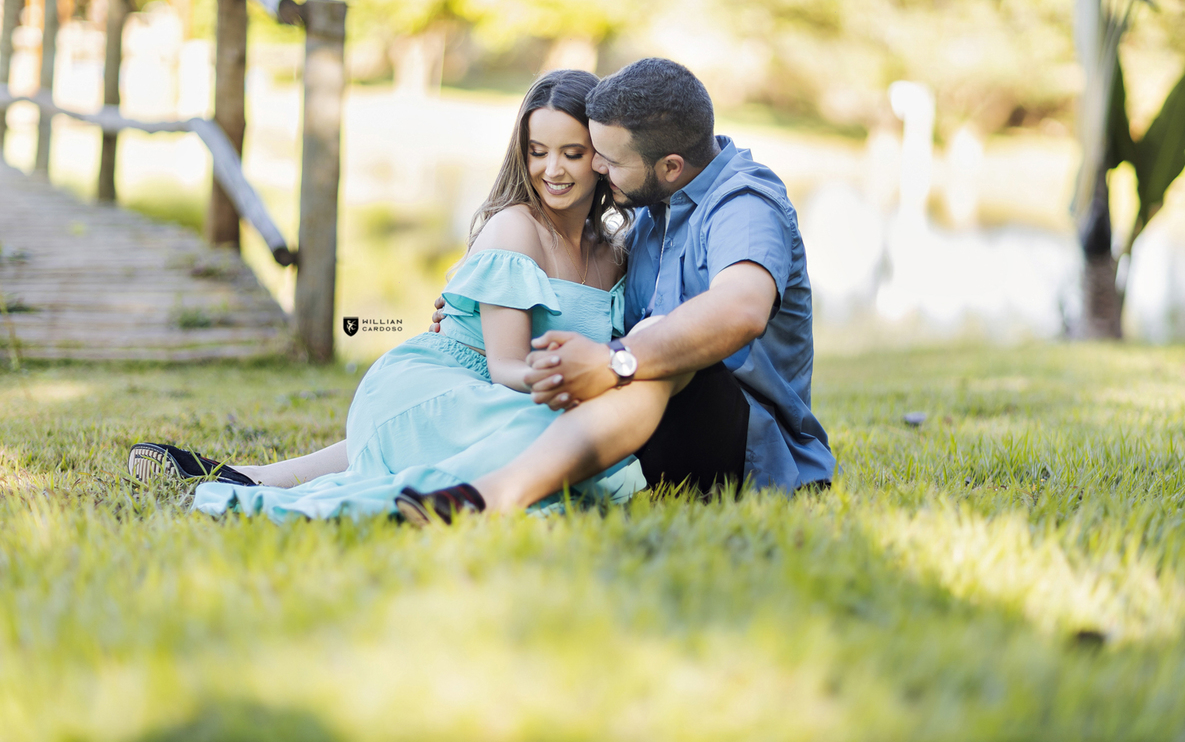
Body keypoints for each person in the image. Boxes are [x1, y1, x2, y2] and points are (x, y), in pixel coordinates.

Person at [128, 69, 649, 524]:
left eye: (572, 154)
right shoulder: (517, 228)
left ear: (602, 158)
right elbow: (506, 369)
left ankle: (248, 477)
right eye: (537, 152)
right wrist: (591, 375)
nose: (552, 170)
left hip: (488, 401)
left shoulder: (615, 254)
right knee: (560, 428)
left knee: (575, 429)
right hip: (452, 385)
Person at [429, 58, 836, 517]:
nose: (597, 165)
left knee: (659, 341)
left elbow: (741, 309)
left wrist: (615, 361)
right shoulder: (651, 211)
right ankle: (468, 484)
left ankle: (499, 493)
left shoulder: (743, 205)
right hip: (645, 422)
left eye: (610, 159)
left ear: (670, 166)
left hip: (744, 445)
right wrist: (476, 300)